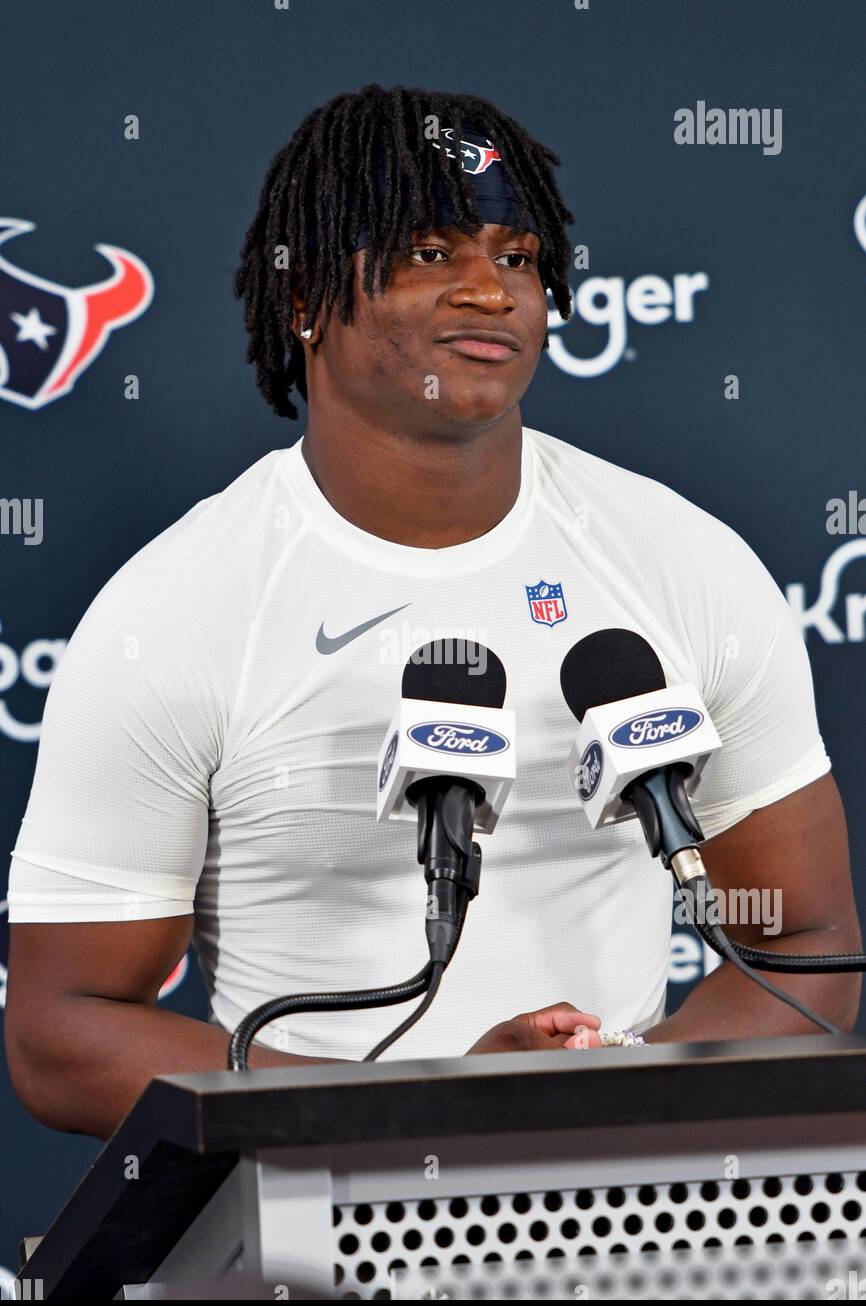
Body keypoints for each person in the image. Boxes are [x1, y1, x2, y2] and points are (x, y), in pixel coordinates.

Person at [5, 84, 860, 1141]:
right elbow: (61, 1032)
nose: (490, 291)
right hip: (313, 1222)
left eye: (514, 257)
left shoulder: (679, 561)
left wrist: (615, 1103)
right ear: (303, 299)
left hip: (636, 1201)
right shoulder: (175, 610)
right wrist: (422, 1120)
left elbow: (802, 943)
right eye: (426, 252)